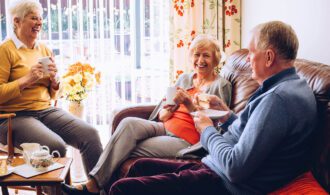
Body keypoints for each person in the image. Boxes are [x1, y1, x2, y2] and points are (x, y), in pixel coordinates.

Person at [106, 21, 318, 195]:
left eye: (252, 52)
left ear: (269, 57)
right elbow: (254, 132)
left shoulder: (277, 99)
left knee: (121, 189)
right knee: (139, 166)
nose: (248, 58)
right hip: (214, 166)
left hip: (223, 183)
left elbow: (235, 168)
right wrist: (226, 115)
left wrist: (206, 130)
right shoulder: (291, 87)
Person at [61, 34, 232, 194]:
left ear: (215, 59)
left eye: (206, 55)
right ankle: (97, 187)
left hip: (187, 140)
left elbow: (215, 124)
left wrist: (188, 104)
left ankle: (94, 186)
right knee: (128, 123)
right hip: (164, 126)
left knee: (127, 147)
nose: (200, 60)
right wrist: (169, 108)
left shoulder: (220, 85)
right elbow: (162, 115)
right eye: (196, 55)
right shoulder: (185, 79)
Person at [0, 0, 103, 175]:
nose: (39, 23)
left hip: (45, 111)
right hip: (14, 117)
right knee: (55, 146)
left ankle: (99, 189)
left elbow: (54, 94)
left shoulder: (44, 50)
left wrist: (55, 84)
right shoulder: (5, 50)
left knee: (90, 135)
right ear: (17, 21)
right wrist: (27, 79)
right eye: (33, 18)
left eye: (41, 18)